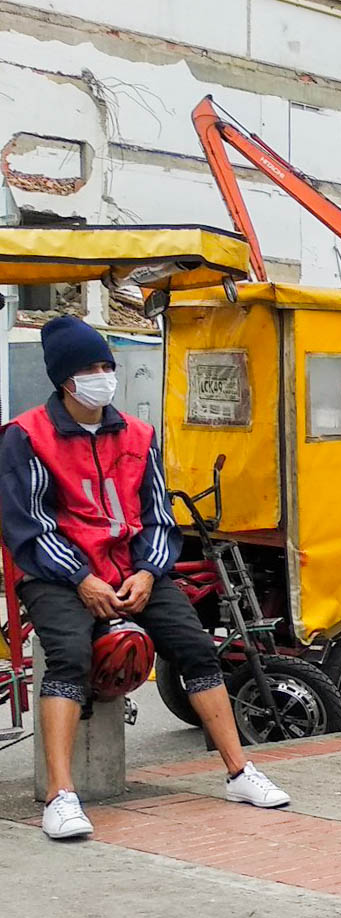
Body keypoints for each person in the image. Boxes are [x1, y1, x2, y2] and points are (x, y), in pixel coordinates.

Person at [0, 316, 290, 839]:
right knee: (68, 655)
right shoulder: (25, 437)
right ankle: (60, 795)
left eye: (107, 365)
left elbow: (158, 517)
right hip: (57, 572)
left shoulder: (139, 434)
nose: (102, 376)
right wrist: (83, 578)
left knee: (197, 647)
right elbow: (30, 526)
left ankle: (239, 770)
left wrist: (148, 573)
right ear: (63, 378)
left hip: (131, 569)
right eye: (89, 367)